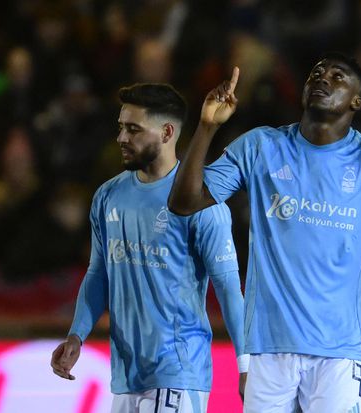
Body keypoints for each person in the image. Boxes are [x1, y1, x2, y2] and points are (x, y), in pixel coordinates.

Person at [168, 53, 361, 412]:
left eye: (337, 76)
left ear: (357, 101)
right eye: (316, 73)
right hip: (268, 345)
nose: (322, 78)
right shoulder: (261, 146)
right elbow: (183, 202)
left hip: (341, 351)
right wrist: (207, 126)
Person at [50, 83, 248, 413]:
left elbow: (228, 289)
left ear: (167, 133)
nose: (121, 138)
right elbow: (98, 274)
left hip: (178, 373)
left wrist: (246, 366)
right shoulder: (108, 196)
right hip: (126, 377)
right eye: (120, 127)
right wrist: (76, 335)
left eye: (133, 129)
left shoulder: (202, 203)